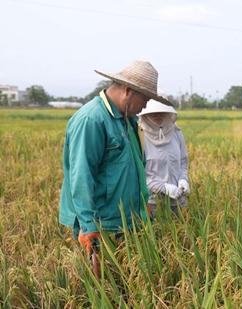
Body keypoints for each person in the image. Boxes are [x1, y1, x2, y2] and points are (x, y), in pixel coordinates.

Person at [59, 60, 171, 255]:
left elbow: (136, 166)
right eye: (144, 100)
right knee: (102, 283)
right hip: (102, 225)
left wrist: (145, 202)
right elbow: (81, 176)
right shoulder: (91, 120)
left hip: (128, 220)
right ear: (127, 91)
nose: (144, 106)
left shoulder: (128, 120)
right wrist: (88, 225)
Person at [138, 100, 190, 217]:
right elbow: (138, 173)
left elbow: (183, 161)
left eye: (162, 111)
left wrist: (183, 179)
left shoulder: (176, 132)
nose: (158, 115)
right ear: (145, 114)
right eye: (153, 112)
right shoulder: (139, 136)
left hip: (178, 200)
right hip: (151, 203)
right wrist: (162, 187)